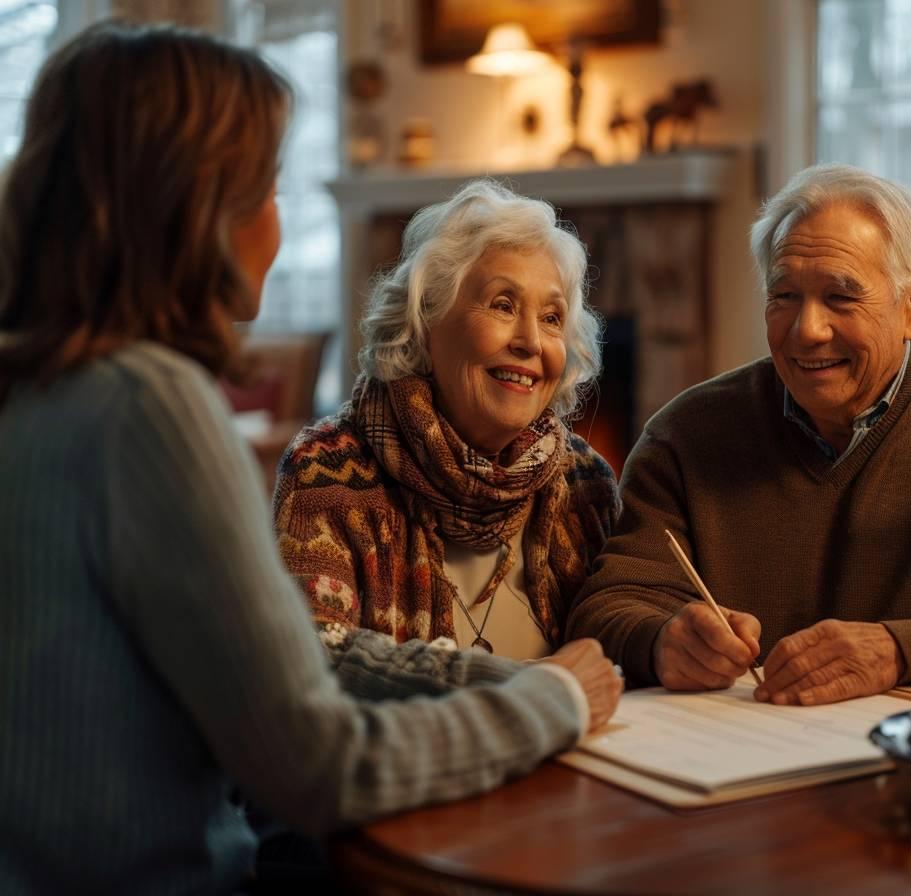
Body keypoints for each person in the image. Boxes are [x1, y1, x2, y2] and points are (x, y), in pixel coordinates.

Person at [0, 23, 620, 895]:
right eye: (266, 188)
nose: (276, 222)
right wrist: (547, 702)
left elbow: (310, 660)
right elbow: (319, 763)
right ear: (194, 208)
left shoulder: (38, 387)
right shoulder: (148, 408)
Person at [567, 163, 911, 703]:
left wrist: (900, 649)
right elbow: (608, 607)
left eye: (840, 298)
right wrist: (662, 639)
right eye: (784, 297)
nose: (808, 330)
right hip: (738, 757)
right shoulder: (684, 435)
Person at [273, 179, 619, 664]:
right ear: (425, 323)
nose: (531, 342)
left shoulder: (585, 481)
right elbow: (316, 663)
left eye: (552, 318)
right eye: (503, 305)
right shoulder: (329, 471)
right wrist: (515, 690)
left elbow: (623, 635)